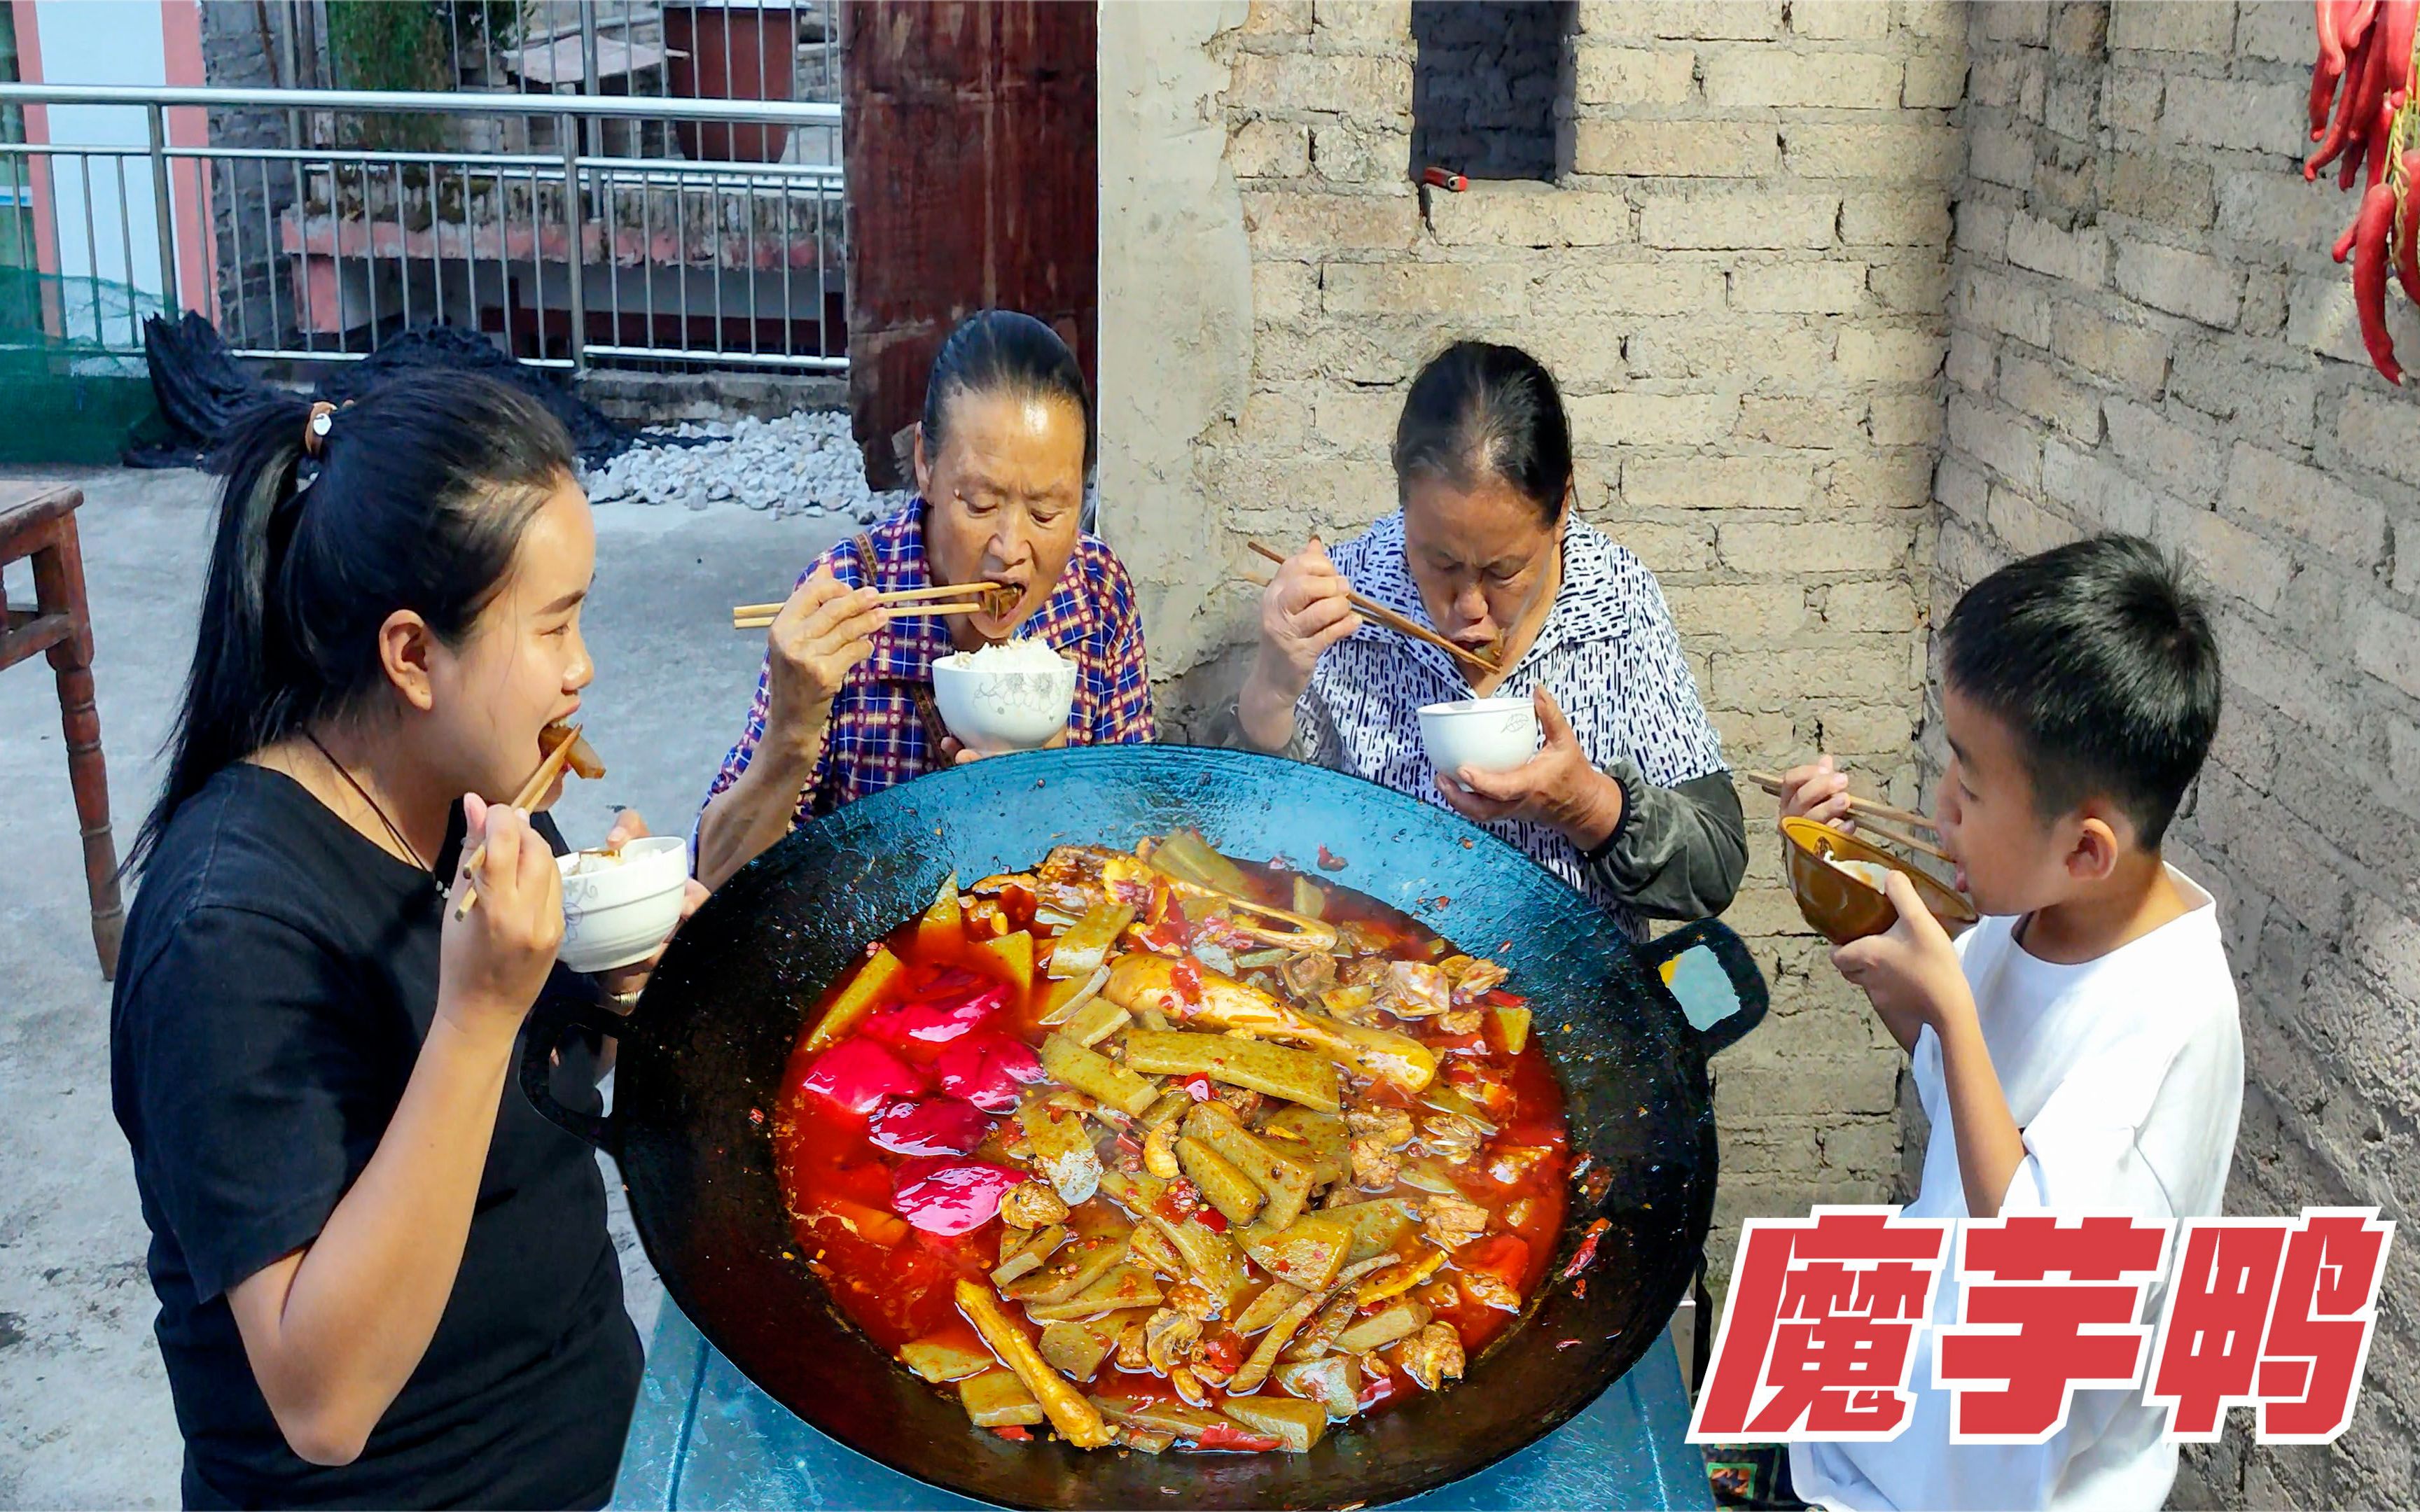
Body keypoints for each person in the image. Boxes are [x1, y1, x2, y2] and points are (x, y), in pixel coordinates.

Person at [111, 376, 702, 1508]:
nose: (583, 666)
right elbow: (321, 1401)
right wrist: (476, 1017)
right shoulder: (227, 930)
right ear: (412, 655)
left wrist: (620, 991)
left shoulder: (484, 803)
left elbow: (541, 1105)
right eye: (554, 625)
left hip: (591, 1448)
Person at [1775, 535, 2241, 1511]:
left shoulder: (2166, 1017)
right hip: (1921, 1424)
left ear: (2086, 848)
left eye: (1972, 788)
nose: (1940, 807)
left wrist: (1946, 997)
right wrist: (1839, 893)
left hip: (2024, 1478)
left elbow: (2037, 1260)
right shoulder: (2032, 912)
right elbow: (1968, 1101)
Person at [1228, 340, 1744, 936]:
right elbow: (1245, 846)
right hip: (1380, 998)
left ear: (1561, 510)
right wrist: (1270, 689)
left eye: (1502, 571)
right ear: (1404, 505)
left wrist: (1587, 805)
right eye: (1440, 563)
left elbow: (1716, 867)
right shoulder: (1346, 600)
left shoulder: (1617, 600)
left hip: (1576, 995)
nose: (1468, 608)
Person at [695, 310, 1155, 889]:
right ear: (925, 464)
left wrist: (1059, 790)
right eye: (981, 504)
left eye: (1046, 512)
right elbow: (714, 880)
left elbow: (1140, 843)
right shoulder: (844, 594)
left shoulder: (1097, 592)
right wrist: (792, 726)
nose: (1011, 549)